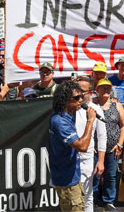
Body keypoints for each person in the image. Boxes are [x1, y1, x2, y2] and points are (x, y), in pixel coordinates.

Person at [48, 80, 97, 212]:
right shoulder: (60, 122)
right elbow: (82, 146)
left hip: (72, 176)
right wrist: (90, 121)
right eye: (76, 98)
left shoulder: (67, 117)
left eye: (81, 96)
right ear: (65, 100)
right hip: (66, 180)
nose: (81, 100)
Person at [93, 78, 124, 210]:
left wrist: (120, 144)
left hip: (113, 147)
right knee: (95, 175)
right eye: (103, 87)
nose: (106, 90)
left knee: (111, 175)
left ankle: (108, 200)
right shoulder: (92, 105)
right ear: (97, 90)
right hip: (96, 148)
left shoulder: (116, 105)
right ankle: (94, 200)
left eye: (108, 87)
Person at [75, 77, 106, 212]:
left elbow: (101, 137)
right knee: (72, 197)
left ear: (91, 92)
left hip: (86, 159)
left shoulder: (96, 110)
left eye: (83, 91)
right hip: (69, 159)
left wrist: (101, 161)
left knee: (87, 196)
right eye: (77, 90)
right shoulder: (69, 107)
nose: (79, 94)